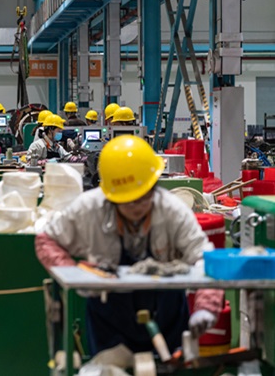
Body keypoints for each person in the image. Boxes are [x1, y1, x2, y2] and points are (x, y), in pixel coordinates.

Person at [35, 136, 223, 355]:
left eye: (143, 197)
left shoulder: (172, 210)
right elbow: (46, 240)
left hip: (167, 316)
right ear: (111, 197)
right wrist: (73, 274)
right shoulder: (90, 208)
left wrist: (206, 306)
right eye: (128, 201)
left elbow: (204, 258)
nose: (137, 206)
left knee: (168, 366)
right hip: (109, 319)